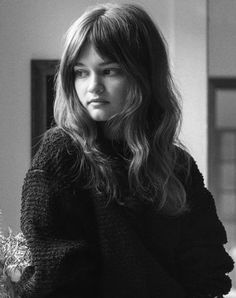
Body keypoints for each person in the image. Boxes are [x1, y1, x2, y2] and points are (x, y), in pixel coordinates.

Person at [15, 3, 234, 298]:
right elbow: (57, 277)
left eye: (109, 71)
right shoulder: (61, 154)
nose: (93, 86)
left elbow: (207, 269)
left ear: (144, 74)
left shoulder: (178, 165)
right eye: (81, 72)